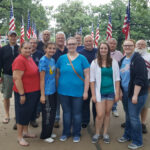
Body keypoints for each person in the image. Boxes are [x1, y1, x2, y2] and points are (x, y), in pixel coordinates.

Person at [56, 37, 89, 142]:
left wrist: (85, 91)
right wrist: (57, 88)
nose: (71, 46)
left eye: (73, 44)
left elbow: (87, 76)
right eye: (69, 44)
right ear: (66, 45)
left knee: (77, 113)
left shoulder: (82, 58)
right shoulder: (61, 58)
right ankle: (66, 133)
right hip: (63, 91)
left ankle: (76, 133)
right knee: (66, 113)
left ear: (77, 45)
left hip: (78, 91)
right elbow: (57, 74)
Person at [118, 39, 148, 150]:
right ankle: (127, 135)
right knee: (128, 116)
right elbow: (121, 78)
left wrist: (135, 95)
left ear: (134, 46)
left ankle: (138, 141)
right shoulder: (122, 60)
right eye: (125, 45)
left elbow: (140, 79)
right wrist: (121, 91)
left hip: (137, 94)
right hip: (126, 92)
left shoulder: (137, 59)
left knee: (134, 117)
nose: (127, 47)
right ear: (122, 46)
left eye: (130, 45)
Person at [90, 42, 120, 144]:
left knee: (107, 113)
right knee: (100, 114)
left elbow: (117, 79)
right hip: (100, 93)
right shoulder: (94, 63)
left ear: (108, 50)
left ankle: (105, 133)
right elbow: (92, 80)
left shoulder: (113, 62)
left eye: (105, 48)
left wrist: (117, 93)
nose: (103, 50)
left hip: (111, 92)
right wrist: (93, 94)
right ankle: (97, 133)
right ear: (99, 50)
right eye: (101, 48)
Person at [12, 41, 40, 146]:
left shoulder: (29, 58)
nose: (28, 50)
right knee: (21, 114)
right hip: (24, 93)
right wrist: (22, 94)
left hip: (33, 92)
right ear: (21, 49)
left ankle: (26, 132)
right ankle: (20, 137)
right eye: (26, 48)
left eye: (29, 48)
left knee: (27, 114)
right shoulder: (19, 60)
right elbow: (17, 78)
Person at [39, 42, 57, 143]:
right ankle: (45, 135)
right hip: (46, 92)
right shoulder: (43, 61)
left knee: (52, 112)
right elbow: (41, 79)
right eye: (50, 48)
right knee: (47, 113)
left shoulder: (53, 60)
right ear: (45, 49)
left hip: (53, 90)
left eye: (54, 48)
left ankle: (49, 132)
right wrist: (42, 95)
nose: (52, 50)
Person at [0, 31, 19, 124]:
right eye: (11, 36)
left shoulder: (20, 49)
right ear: (8, 37)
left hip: (19, 77)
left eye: (14, 36)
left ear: (17, 37)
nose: (13, 38)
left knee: (19, 96)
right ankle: (7, 114)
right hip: (7, 76)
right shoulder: (3, 49)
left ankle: (17, 115)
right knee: (6, 96)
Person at [79, 35, 97, 128]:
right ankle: (85, 120)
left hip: (96, 82)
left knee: (96, 102)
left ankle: (96, 120)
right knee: (85, 102)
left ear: (93, 41)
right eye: (87, 41)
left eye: (90, 41)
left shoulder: (98, 52)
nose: (89, 43)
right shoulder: (80, 53)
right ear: (83, 42)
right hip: (84, 82)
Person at [53, 31, 68, 128]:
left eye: (62, 38)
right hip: (55, 79)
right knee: (56, 101)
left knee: (66, 102)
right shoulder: (53, 50)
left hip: (67, 80)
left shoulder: (69, 50)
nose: (60, 39)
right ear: (55, 39)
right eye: (58, 38)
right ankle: (56, 119)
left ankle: (67, 119)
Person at [135, 40, 150, 134]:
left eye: (142, 44)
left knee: (145, 104)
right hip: (133, 84)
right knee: (132, 104)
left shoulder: (149, 56)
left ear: (145, 46)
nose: (140, 46)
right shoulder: (132, 55)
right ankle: (131, 121)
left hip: (146, 84)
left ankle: (143, 123)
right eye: (138, 44)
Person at [30, 38, 44, 128]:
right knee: (24, 101)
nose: (32, 44)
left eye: (34, 43)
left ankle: (33, 119)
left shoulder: (40, 54)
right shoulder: (24, 53)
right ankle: (20, 120)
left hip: (37, 80)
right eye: (31, 43)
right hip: (26, 81)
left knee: (35, 100)